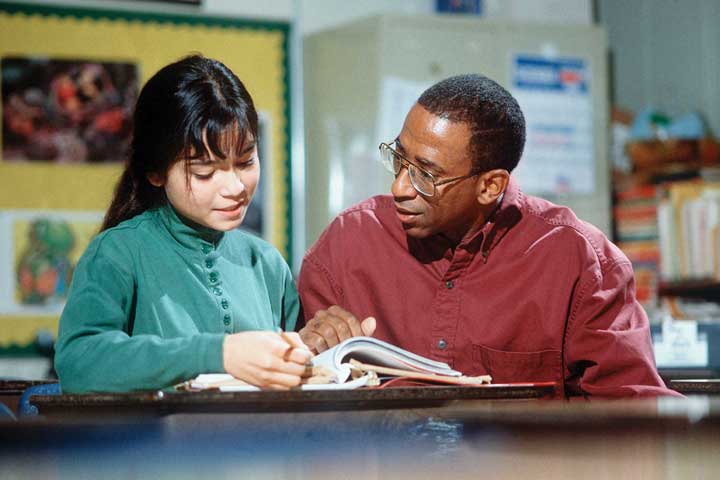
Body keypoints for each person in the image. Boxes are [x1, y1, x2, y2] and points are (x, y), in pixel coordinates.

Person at [297, 74, 676, 398]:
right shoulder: (348, 244)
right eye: (399, 158)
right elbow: (298, 408)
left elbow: (635, 416)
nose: (399, 187)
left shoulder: (581, 263)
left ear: (490, 186)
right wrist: (306, 352)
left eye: (425, 175)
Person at [55, 55, 311, 393]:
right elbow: (79, 363)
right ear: (155, 172)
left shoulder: (266, 264)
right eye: (205, 172)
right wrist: (218, 353)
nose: (235, 187)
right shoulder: (118, 253)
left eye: (246, 161)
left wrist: (318, 345)